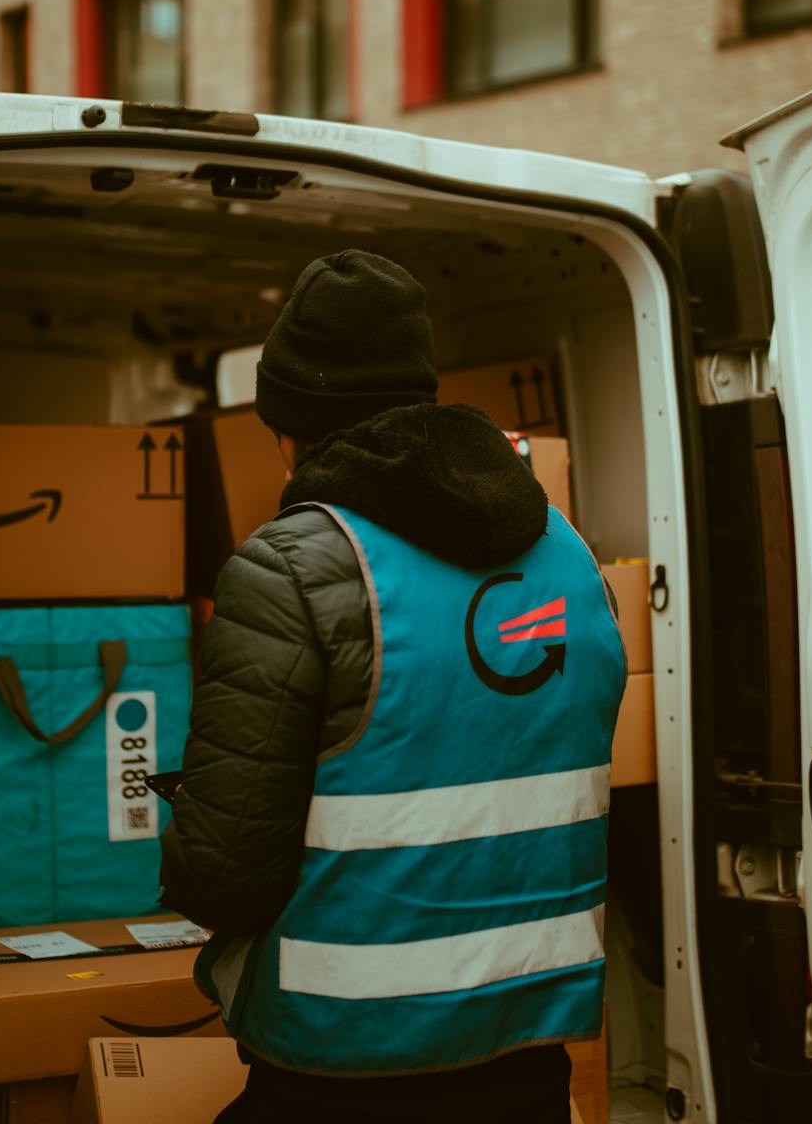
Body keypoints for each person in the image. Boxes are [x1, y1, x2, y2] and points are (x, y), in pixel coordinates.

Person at [159, 249, 626, 1124]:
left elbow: (223, 881)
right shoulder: (569, 553)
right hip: (527, 1055)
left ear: (293, 426)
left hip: (342, 1065)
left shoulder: (292, 568)